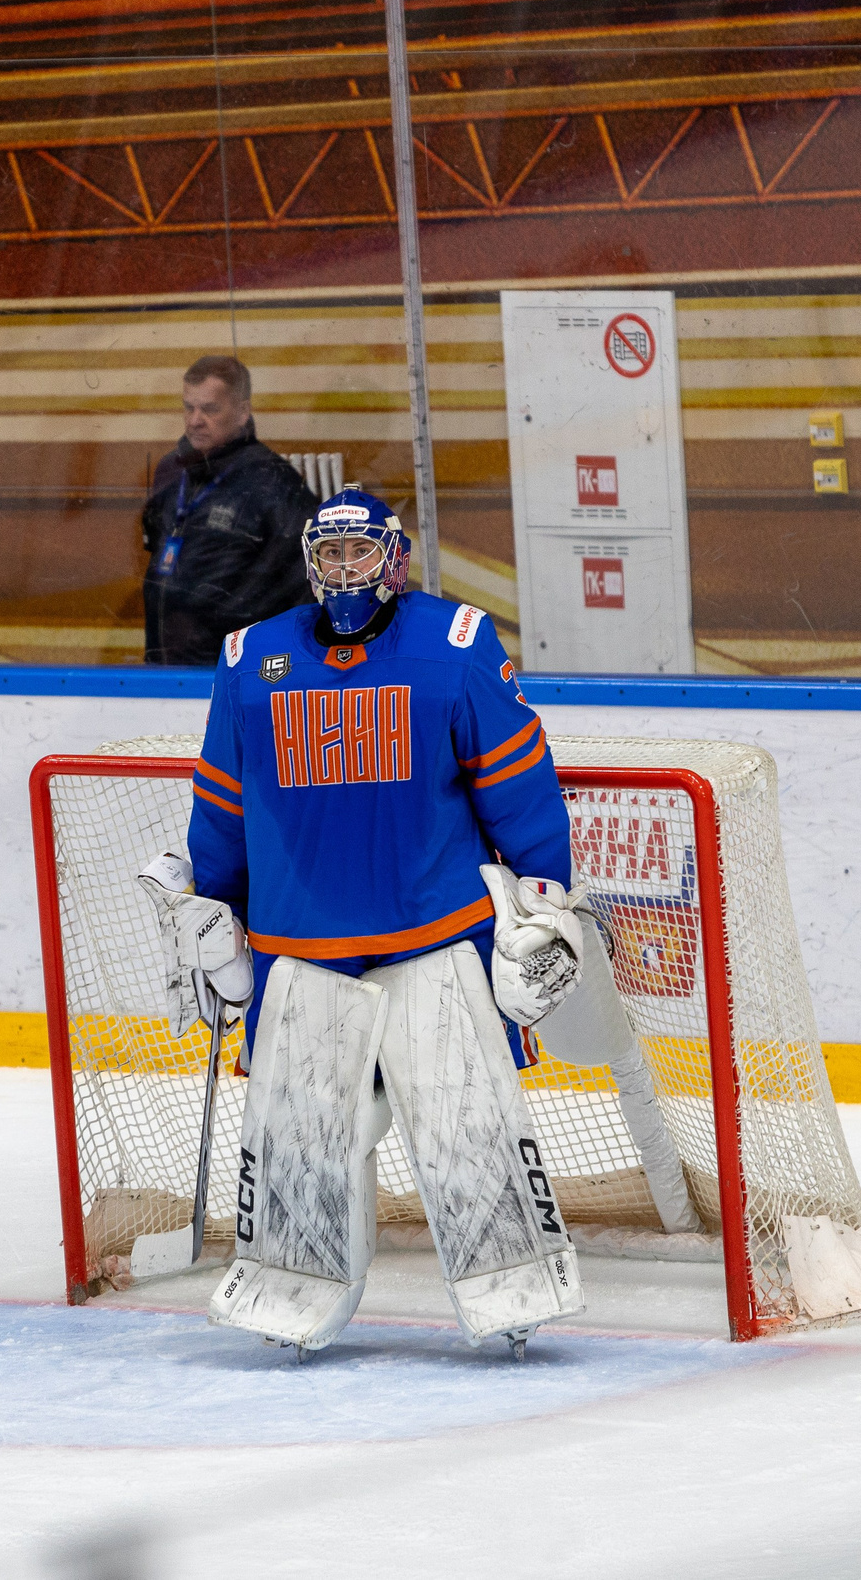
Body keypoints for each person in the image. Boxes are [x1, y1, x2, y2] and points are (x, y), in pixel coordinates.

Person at [151, 487, 593, 1359]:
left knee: (469, 1126)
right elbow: (223, 807)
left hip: (435, 937)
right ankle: (290, 1292)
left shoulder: (455, 646)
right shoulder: (250, 659)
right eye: (331, 555)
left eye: (361, 554)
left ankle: (515, 1286)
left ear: (394, 556)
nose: (346, 571)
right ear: (311, 563)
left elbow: (519, 784)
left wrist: (543, 901)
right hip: (300, 949)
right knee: (302, 1146)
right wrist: (220, 908)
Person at [140, 355, 317, 666]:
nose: (194, 420)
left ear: (242, 412)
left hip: (235, 672)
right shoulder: (170, 471)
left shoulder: (275, 482)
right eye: (188, 407)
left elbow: (303, 589)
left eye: (209, 409)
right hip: (163, 667)